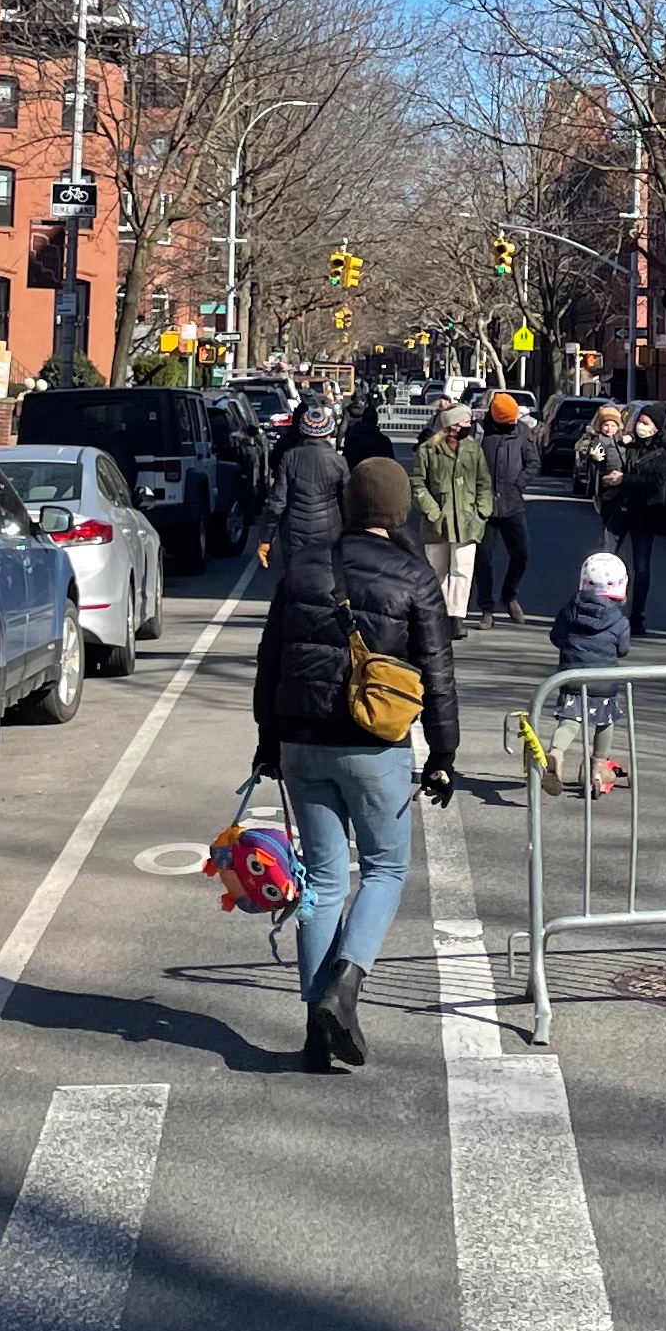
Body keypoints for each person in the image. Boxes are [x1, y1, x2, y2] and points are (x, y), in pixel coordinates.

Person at [252, 454, 459, 1070]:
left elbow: (270, 660)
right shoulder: (416, 577)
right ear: (399, 511)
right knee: (386, 869)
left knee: (321, 879)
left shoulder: (304, 568)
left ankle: (315, 1031)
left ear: (348, 504)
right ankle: (345, 986)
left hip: (301, 743)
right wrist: (443, 753)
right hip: (375, 746)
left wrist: (269, 739)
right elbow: (438, 673)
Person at [548, 548, 632, 795]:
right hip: (603, 682)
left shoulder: (569, 609)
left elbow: (556, 637)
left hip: (572, 677)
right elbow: (623, 649)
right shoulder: (619, 621)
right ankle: (597, 765)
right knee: (605, 722)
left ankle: (556, 753)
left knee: (570, 720)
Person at [412, 400, 493, 631]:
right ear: (454, 424)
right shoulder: (428, 450)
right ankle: (437, 617)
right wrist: (431, 510)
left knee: (462, 570)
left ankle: (456, 618)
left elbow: (484, 483)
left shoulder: (473, 449)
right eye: (466, 420)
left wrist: (481, 512)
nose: (470, 424)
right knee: (436, 572)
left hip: (467, 523)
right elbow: (417, 483)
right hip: (437, 524)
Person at [471, 389, 542, 628]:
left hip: (512, 503)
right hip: (485, 504)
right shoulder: (480, 430)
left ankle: (509, 595)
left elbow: (533, 462)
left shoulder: (522, 431)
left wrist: (518, 484)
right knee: (484, 559)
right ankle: (486, 608)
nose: (512, 423)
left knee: (521, 554)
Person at [259, 392, 349, 575]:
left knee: (296, 581)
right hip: (330, 531)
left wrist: (266, 538)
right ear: (329, 431)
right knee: (327, 581)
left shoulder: (290, 458)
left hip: (294, 532)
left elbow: (277, 502)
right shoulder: (338, 462)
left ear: (302, 430)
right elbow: (348, 503)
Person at [615, 406, 666, 636]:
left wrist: (624, 479)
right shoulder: (630, 446)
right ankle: (599, 608)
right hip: (621, 508)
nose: (641, 426)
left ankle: (637, 615)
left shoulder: (664, 453)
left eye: (647, 423)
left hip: (646, 512)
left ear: (657, 428)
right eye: (640, 421)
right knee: (605, 556)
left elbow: (657, 482)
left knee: (641, 566)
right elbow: (610, 451)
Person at [576, 405, 628, 537]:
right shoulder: (598, 440)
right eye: (606, 425)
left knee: (619, 511)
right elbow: (593, 450)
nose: (609, 428)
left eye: (612, 425)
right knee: (608, 510)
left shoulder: (621, 439)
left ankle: (613, 533)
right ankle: (608, 535)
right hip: (606, 479)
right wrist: (595, 456)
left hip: (622, 477)